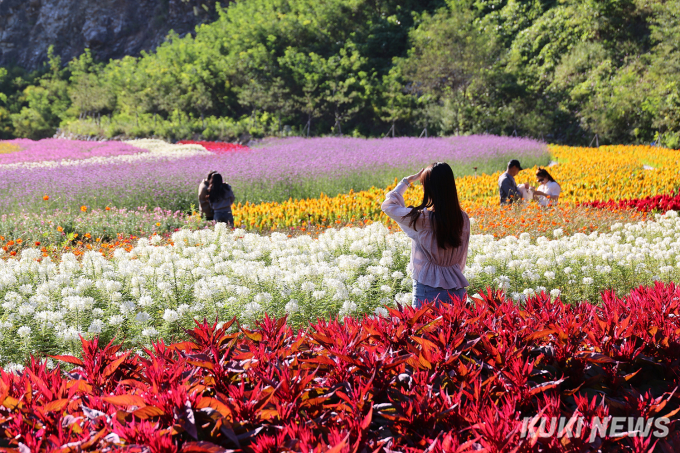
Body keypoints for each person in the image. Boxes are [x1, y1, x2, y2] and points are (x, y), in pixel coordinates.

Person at [381, 162, 470, 308]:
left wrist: (406, 181)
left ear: (429, 189)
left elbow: (388, 205)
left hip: (427, 291)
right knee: (456, 330)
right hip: (456, 288)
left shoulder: (422, 219)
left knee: (425, 329)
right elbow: (461, 258)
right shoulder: (463, 218)